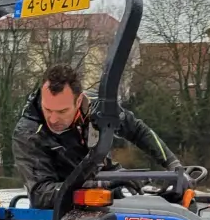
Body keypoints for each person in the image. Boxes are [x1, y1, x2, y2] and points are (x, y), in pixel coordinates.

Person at [12, 63, 181, 209]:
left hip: (106, 195)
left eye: (62, 111)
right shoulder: (29, 133)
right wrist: (101, 184)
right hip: (62, 213)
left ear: (79, 102)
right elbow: (42, 194)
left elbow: (136, 129)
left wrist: (172, 164)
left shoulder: (99, 108)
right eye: (47, 109)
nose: (53, 118)